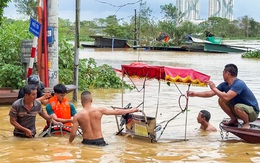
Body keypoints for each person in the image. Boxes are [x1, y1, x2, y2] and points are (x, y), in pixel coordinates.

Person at [188, 64, 259, 129]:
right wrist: (195, 94)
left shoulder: (239, 84)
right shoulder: (224, 85)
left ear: (227, 73)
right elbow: (210, 93)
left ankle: (246, 123)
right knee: (221, 100)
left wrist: (214, 88)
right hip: (239, 110)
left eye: (223, 73)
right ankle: (234, 120)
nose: (222, 75)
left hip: (252, 112)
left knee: (237, 106)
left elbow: (227, 97)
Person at [69, 91, 139, 146]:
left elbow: (73, 134)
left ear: (81, 102)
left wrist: (69, 143)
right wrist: (131, 110)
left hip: (86, 142)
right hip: (100, 141)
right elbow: (117, 111)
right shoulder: (99, 110)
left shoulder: (77, 116)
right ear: (91, 100)